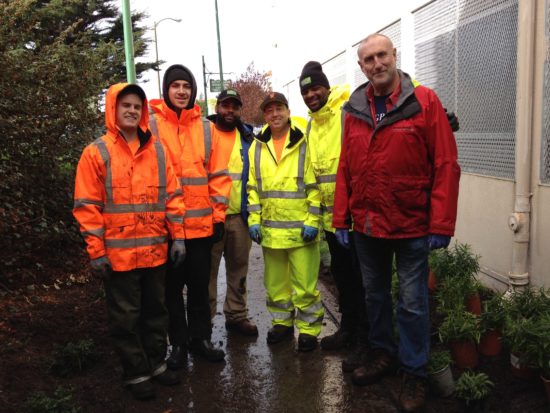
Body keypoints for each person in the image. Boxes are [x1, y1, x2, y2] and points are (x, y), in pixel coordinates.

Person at [333, 34, 460, 413]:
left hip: (411, 225)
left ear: (395, 55)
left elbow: (445, 164)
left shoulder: (424, 102)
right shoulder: (353, 109)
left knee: (413, 304)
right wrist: (342, 217)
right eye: (368, 59)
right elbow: (346, 166)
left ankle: (414, 373)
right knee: (375, 296)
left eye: (381, 55)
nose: (376, 64)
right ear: (361, 67)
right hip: (369, 225)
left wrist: (441, 222)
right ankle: (384, 354)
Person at [73, 83, 186, 400]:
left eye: (137, 106)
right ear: (113, 109)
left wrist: (178, 238)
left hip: (154, 253)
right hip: (119, 258)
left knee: (156, 311)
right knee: (125, 318)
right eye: (126, 106)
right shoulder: (96, 153)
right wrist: (96, 252)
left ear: (144, 112)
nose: (132, 111)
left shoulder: (158, 152)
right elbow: (86, 207)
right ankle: (136, 373)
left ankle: (156, 363)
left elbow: (173, 198)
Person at [149, 65, 231, 367]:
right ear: (166, 90)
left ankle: (200, 339)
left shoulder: (207, 129)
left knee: (199, 287)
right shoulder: (152, 126)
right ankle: (179, 344)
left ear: (193, 90)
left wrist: (218, 216)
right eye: (175, 86)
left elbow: (219, 176)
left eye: (186, 85)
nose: (181, 91)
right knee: (171, 291)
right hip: (166, 229)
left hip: (200, 228)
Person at [298, 61, 369, 372]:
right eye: (305, 90)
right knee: (344, 279)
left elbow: (404, 89)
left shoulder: (347, 110)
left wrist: (436, 115)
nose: (311, 94)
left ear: (326, 87)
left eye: (315, 87)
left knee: (365, 282)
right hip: (332, 221)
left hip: (356, 219)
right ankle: (349, 330)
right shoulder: (312, 124)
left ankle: (367, 343)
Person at [247, 92, 324, 352]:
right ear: (265, 116)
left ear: (288, 111)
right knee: (276, 284)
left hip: (302, 231)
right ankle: (281, 323)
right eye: (269, 110)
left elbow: (314, 187)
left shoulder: (304, 142)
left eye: (279, 108)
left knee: (305, 286)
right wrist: (254, 220)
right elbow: (253, 188)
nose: (275, 114)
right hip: (270, 232)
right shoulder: (258, 146)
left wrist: (313, 220)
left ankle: (309, 330)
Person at [207, 89, 258, 336]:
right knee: (207, 273)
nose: (230, 111)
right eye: (225, 106)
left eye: (234, 107)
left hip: (239, 217)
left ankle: (236, 316)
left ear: (239, 110)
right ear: (217, 107)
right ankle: (203, 320)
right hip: (209, 218)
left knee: (239, 270)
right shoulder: (204, 134)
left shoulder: (247, 137)